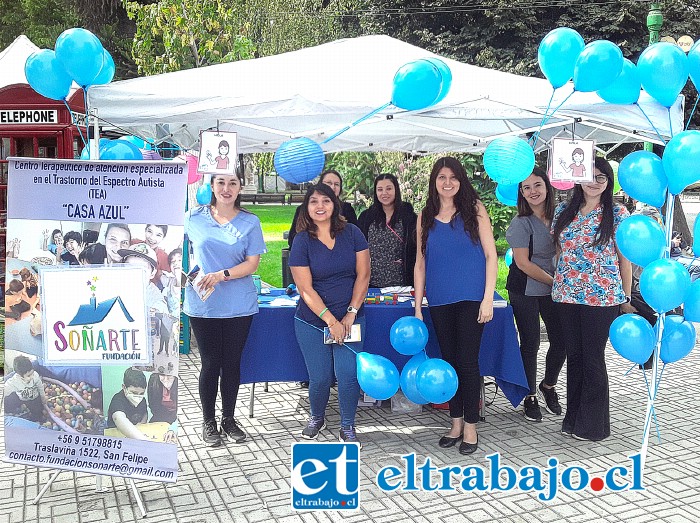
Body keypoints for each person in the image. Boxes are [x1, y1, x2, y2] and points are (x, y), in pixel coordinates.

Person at [413, 157, 498, 455]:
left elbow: (491, 256)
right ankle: (456, 422)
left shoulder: (474, 210)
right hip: (439, 300)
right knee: (449, 363)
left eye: (453, 177)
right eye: (441, 177)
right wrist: (418, 307)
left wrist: (488, 297)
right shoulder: (425, 216)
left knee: (467, 362)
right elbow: (420, 264)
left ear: (461, 181)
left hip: (471, 298)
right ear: (434, 181)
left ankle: (472, 427)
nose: (447, 183)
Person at [551, 157, 634, 442]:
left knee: (593, 358)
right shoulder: (563, 210)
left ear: (609, 183)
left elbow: (625, 259)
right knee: (574, 357)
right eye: (590, 176)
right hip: (566, 294)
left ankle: (593, 425)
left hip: (603, 297)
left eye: (602, 177)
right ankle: (572, 418)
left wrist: (626, 297)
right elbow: (560, 252)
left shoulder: (617, 213)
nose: (595, 182)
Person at [184, 170, 266, 447]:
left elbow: (252, 264)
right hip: (203, 304)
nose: (227, 188)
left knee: (231, 363)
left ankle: (229, 419)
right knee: (210, 363)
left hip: (238, 305)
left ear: (240, 187)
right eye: (221, 182)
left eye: (233, 183)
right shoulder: (192, 218)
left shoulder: (250, 222)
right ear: (212, 186)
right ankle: (208, 421)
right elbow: (177, 255)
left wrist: (222, 275)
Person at [289, 183, 370, 446]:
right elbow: (304, 288)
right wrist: (331, 321)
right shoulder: (302, 240)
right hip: (313, 321)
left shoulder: (354, 234)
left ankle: (347, 425)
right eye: (314, 201)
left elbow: (364, 275)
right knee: (320, 376)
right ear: (307, 207)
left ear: (335, 204)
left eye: (326, 201)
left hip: (351, 317)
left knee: (347, 375)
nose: (320, 206)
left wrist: (349, 315)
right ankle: (316, 417)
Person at [506, 167, 566, 422]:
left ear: (547, 187)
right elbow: (523, 263)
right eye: (526, 187)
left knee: (562, 340)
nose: (532, 191)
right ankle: (529, 394)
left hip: (555, 285)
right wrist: (556, 282)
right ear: (521, 193)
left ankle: (548, 385)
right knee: (530, 343)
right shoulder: (521, 223)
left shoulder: (562, 216)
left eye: (537, 185)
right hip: (526, 287)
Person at [357, 173, 417, 287]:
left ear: (396, 190)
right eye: (380, 189)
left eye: (388, 188)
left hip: (401, 283)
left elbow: (416, 247)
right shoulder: (366, 217)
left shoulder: (408, 216)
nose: (384, 193)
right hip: (371, 282)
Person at [288, 169, 358, 248]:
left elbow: (355, 239)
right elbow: (292, 238)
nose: (332, 187)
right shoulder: (303, 209)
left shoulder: (347, 209)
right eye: (329, 183)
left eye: (337, 184)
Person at [107, 367, 149, 440]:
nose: (138, 396)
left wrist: (142, 424)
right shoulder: (117, 400)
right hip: (116, 435)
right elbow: (119, 418)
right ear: (124, 387)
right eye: (134, 392)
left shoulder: (142, 400)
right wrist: (142, 439)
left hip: (135, 434)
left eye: (141, 393)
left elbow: (144, 413)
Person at [4, 355, 47, 421]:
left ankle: (33, 419)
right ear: (20, 376)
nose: (32, 376)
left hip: (35, 398)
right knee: (8, 403)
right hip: (22, 398)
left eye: (32, 373)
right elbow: (5, 389)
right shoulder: (14, 381)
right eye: (28, 375)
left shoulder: (35, 376)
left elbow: (40, 387)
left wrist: (43, 397)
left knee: (38, 413)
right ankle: (19, 410)